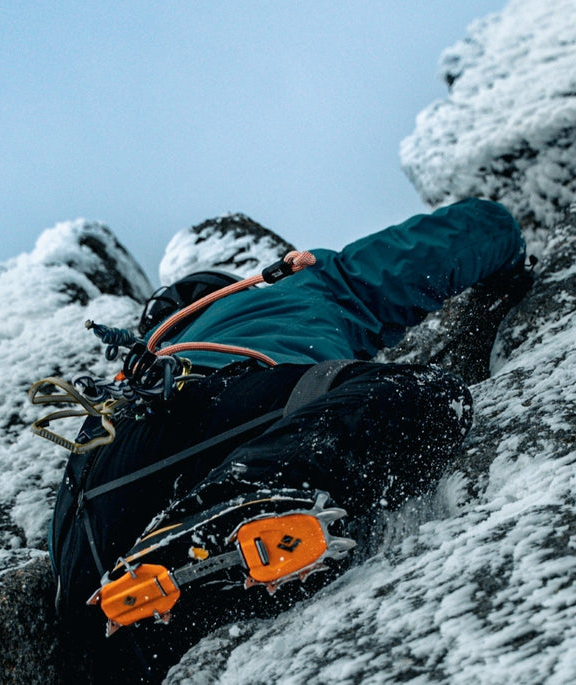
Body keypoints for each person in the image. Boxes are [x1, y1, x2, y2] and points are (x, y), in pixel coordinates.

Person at [40, 198, 530, 682]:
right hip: (216, 415)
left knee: (130, 649)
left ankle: (175, 575)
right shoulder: (289, 287)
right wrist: (507, 261)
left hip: (88, 529)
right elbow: (452, 239)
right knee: (424, 395)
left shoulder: (142, 363)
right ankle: (242, 505)